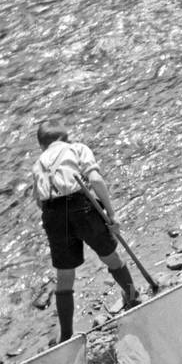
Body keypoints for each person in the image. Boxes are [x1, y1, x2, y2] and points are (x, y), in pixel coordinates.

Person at [31, 120, 141, 343]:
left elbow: (38, 201)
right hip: (81, 205)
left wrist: (56, 216)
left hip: (52, 214)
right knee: (109, 255)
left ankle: (66, 334)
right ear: (65, 138)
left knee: (64, 273)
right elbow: (95, 179)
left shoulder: (38, 164)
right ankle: (132, 297)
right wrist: (112, 214)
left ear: (42, 146)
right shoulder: (76, 148)